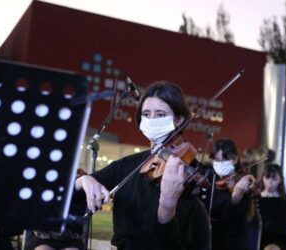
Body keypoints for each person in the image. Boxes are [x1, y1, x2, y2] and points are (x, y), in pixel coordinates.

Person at [75, 81, 211, 250]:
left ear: (179, 119)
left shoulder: (185, 171)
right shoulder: (127, 165)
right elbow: (72, 195)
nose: (151, 120)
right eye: (146, 114)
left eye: (160, 115)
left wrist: (168, 203)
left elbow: (168, 242)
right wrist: (84, 179)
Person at [199, 138, 256, 250]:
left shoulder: (241, 181)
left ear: (235, 159)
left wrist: (235, 198)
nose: (219, 164)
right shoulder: (208, 175)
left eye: (223, 160)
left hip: (230, 241)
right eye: (216, 160)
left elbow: (234, 218)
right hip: (206, 238)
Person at [256, 163, 286, 250]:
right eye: (267, 177)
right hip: (261, 239)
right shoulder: (257, 199)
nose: (270, 182)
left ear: (280, 180)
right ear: (262, 178)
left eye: (274, 179)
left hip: (281, 240)